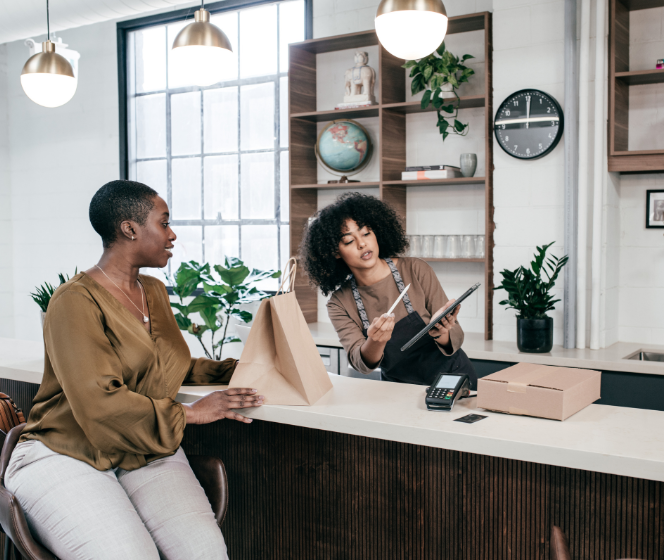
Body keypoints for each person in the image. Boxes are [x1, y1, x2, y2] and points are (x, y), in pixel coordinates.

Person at [5, 180, 262, 560]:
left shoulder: (153, 291)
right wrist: (191, 412)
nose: (172, 235)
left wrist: (243, 370)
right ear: (129, 228)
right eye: (164, 223)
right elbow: (98, 402)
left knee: (205, 553)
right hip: (63, 452)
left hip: (141, 448)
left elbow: (165, 365)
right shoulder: (72, 301)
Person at [299, 192, 477, 388]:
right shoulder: (339, 303)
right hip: (397, 390)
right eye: (349, 241)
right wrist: (375, 341)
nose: (362, 244)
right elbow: (361, 364)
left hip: (452, 382)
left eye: (366, 233)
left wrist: (441, 332)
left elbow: (456, 337)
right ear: (334, 252)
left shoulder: (416, 270)